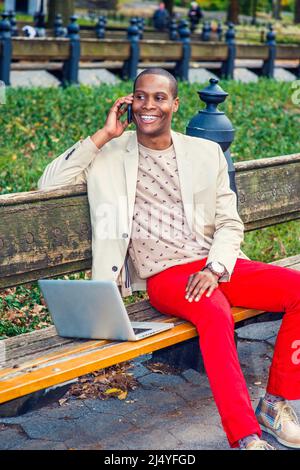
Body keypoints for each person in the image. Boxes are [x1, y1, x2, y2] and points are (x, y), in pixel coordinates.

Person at [38, 68, 300, 450]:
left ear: (174, 105)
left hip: (214, 264)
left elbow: (229, 222)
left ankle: (274, 405)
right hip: (166, 275)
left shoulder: (204, 152)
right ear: (129, 102)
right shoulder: (110, 152)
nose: (149, 105)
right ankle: (244, 435)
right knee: (214, 314)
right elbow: (49, 184)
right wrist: (104, 135)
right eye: (140, 96)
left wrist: (215, 267)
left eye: (159, 98)